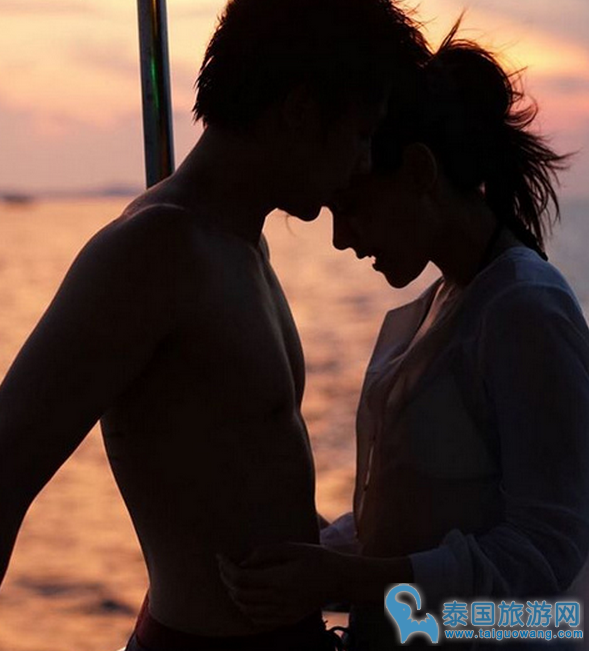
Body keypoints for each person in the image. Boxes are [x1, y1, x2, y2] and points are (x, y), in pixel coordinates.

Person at [0, 1, 428, 650]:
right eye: (359, 133)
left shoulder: (241, 245)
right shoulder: (155, 251)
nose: (363, 162)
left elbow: (239, 471)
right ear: (301, 111)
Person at [219, 22, 589, 650]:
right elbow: (412, 519)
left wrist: (344, 577)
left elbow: (545, 551)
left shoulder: (526, 310)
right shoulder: (441, 305)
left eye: (351, 206)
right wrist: (309, 551)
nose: (341, 238)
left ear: (419, 171)